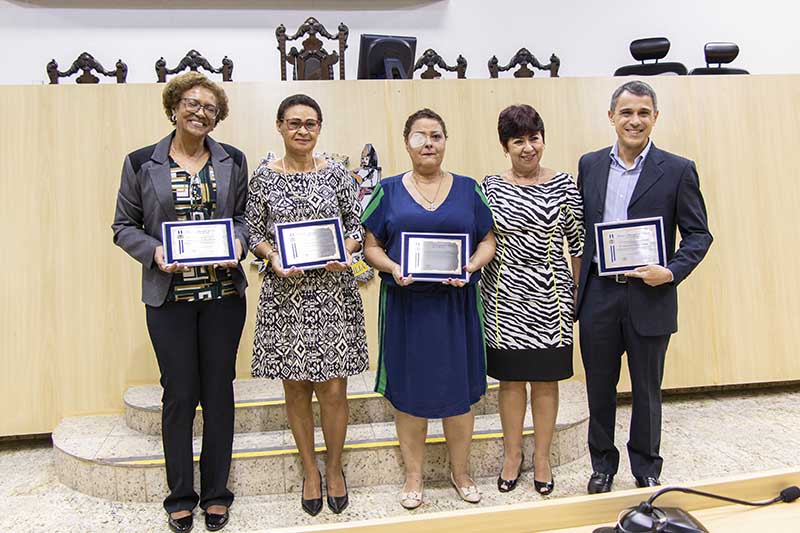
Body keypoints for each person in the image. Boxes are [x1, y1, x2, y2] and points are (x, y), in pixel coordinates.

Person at [112, 71, 248, 533]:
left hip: (223, 297)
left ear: (218, 116)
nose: (200, 112)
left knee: (218, 394)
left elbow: (245, 220)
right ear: (174, 106)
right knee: (179, 395)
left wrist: (239, 244)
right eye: (192, 103)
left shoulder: (233, 160)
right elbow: (123, 225)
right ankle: (180, 495)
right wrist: (153, 251)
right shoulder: (140, 162)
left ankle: (216, 494)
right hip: (168, 298)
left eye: (210, 107)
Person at [576, 80, 712, 494]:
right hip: (599, 292)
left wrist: (669, 272)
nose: (634, 120)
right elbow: (583, 229)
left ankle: (646, 466)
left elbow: (698, 235)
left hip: (650, 294)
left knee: (647, 388)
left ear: (655, 118)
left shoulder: (677, 169)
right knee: (599, 386)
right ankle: (602, 465)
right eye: (626, 112)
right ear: (612, 116)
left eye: (643, 113)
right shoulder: (590, 164)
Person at [362, 108, 496, 509]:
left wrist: (471, 265)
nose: (428, 143)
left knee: (459, 396)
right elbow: (371, 247)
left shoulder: (469, 189)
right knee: (409, 395)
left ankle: (462, 472)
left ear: (445, 141)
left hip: (456, 308)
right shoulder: (387, 190)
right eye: (419, 136)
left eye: (436, 135)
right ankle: (414, 476)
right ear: (406, 142)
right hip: (408, 309)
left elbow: (487, 241)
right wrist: (393, 267)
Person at [245, 94, 368, 516]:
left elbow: (356, 225)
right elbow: (253, 232)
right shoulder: (263, 177)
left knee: (334, 390)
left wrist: (345, 249)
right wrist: (271, 257)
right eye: (294, 123)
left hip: (332, 293)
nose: (302, 130)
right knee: (295, 388)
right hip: (286, 296)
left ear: (320, 128)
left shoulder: (336, 174)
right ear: (279, 126)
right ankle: (310, 471)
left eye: (311, 123)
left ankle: (334, 469)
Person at [480, 105, 583, 496]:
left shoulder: (564, 184)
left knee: (545, 380)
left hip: (551, 296)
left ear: (543, 138)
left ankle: (541, 457)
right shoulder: (489, 185)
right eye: (518, 140)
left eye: (533, 138)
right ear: (505, 145)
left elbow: (577, 243)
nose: (528, 148)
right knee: (510, 381)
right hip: (503, 296)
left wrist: (573, 293)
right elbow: (482, 238)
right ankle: (512, 456)